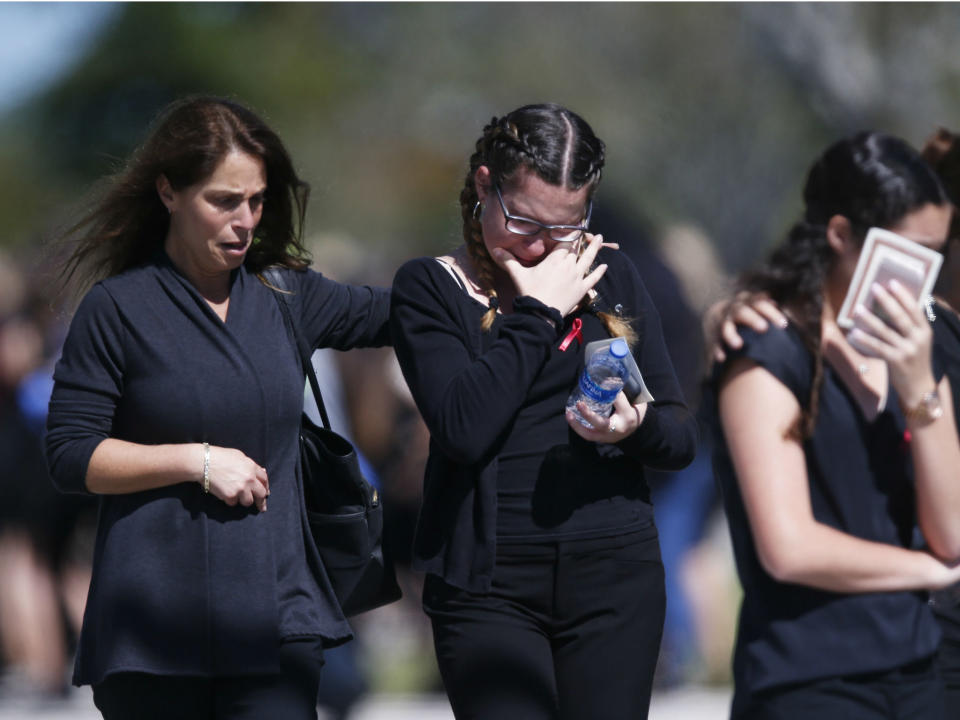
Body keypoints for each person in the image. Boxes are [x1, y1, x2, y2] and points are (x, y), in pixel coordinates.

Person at [44, 95, 390, 719]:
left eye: (255, 200)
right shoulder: (117, 309)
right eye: (224, 200)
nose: (245, 220)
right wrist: (196, 461)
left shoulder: (286, 294)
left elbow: (406, 311)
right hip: (151, 632)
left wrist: (507, 276)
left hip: (278, 622)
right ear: (169, 192)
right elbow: (72, 454)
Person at [390, 103, 698, 719]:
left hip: (614, 574)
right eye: (525, 222)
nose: (542, 248)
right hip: (488, 589)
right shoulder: (431, 288)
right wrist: (538, 314)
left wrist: (636, 427)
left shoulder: (613, 273)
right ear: (484, 187)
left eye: (567, 227)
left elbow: (682, 436)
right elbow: (463, 428)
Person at [710, 131, 960, 719]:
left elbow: (951, 529)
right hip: (809, 676)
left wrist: (919, 385)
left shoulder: (919, 346)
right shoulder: (768, 349)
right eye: (908, 253)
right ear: (841, 234)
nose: (920, 279)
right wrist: (923, 570)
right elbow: (788, 547)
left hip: (915, 670)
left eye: (935, 256)